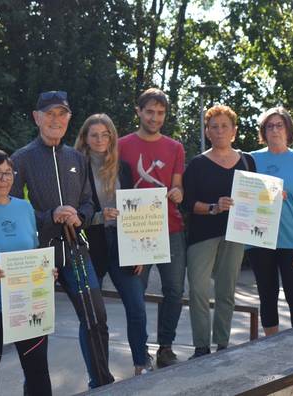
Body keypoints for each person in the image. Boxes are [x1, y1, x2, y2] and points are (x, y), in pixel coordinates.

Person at [10, 91, 114, 387]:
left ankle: (102, 383)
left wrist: (78, 216)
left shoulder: (77, 158)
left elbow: (87, 203)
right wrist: (50, 214)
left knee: (96, 318)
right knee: (33, 329)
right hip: (37, 256)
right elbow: (15, 210)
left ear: (69, 118)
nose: (56, 120)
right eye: (50, 114)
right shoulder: (21, 159)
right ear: (37, 117)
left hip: (75, 250)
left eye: (62, 114)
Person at [0, 150, 53, 396]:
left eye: (8, 173)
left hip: (28, 304)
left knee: (37, 369)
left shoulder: (25, 208)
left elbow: (33, 250)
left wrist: (46, 271)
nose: (4, 179)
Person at [74, 113, 153, 376]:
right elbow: (73, 213)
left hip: (123, 243)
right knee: (92, 317)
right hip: (90, 244)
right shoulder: (75, 167)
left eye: (104, 134)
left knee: (137, 308)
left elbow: (134, 210)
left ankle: (141, 364)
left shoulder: (123, 168)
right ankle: (98, 376)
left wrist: (139, 251)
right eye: (93, 134)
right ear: (85, 138)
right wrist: (98, 217)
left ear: (112, 137)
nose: (99, 139)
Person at [117, 88, 186, 368]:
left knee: (174, 290)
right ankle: (139, 348)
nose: (155, 117)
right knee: (137, 293)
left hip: (170, 228)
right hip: (136, 230)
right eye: (150, 112)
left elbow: (177, 183)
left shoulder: (175, 147)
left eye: (160, 113)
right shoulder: (121, 144)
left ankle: (165, 347)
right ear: (138, 111)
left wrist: (179, 193)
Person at [182, 105, 255, 358]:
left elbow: (257, 197)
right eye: (214, 127)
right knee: (199, 290)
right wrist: (214, 207)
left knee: (227, 290)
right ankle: (201, 347)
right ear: (207, 131)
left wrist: (273, 198)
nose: (220, 131)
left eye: (225, 126)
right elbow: (187, 204)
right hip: (202, 235)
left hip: (236, 234)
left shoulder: (247, 161)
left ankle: (222, 344)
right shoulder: (197, 164)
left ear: (234, 131)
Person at [246, 107, 293, 336]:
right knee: (267, 296)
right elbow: (243, 196)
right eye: (269, 126)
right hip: (260, 239)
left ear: (288, 129)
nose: (274, 130)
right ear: (263, 131)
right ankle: (271, 347)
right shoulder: (251, 160)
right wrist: (267, 195)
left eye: (279, 125)